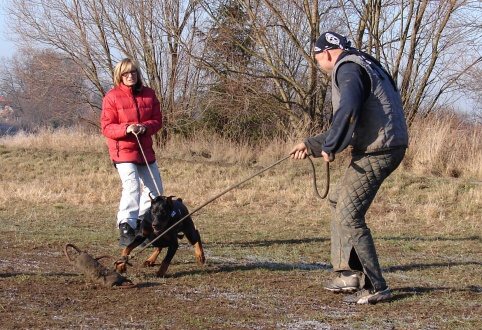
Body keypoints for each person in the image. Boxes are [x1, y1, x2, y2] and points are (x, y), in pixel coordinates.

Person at [290, 32, 408, 304]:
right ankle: (347, 273)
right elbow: (355, 118)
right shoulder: (363, 63)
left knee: (349, 215)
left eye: (317, 57)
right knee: (336, 200)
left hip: (380, 150)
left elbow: (349, 109)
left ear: (327, 53)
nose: (318, 64)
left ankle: (376, 285)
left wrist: (331, 147)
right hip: (384, 145)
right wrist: (311, 145)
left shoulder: (348, 68)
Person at [101, 58, 164, 247]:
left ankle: (143, 225)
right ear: (120, 76)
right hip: (123, 151)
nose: (130, 76)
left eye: (133, 72)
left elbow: (157, 121)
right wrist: (127, 129)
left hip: (145, 150)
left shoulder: (149, 94)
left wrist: (144, 127)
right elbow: (107, 127)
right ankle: (126, 226)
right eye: (126, 73)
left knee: (155, 189)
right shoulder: (112, 97)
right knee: (132, 187)